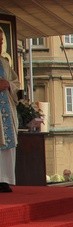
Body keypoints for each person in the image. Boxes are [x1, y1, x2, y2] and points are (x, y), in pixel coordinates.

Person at [0, 29, 19, 185]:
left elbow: (16, 83)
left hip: (6, 109)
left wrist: (8, 84)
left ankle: (5, 180)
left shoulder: (5, 63)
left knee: (7, 143)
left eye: (1, 41)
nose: (0, 45)